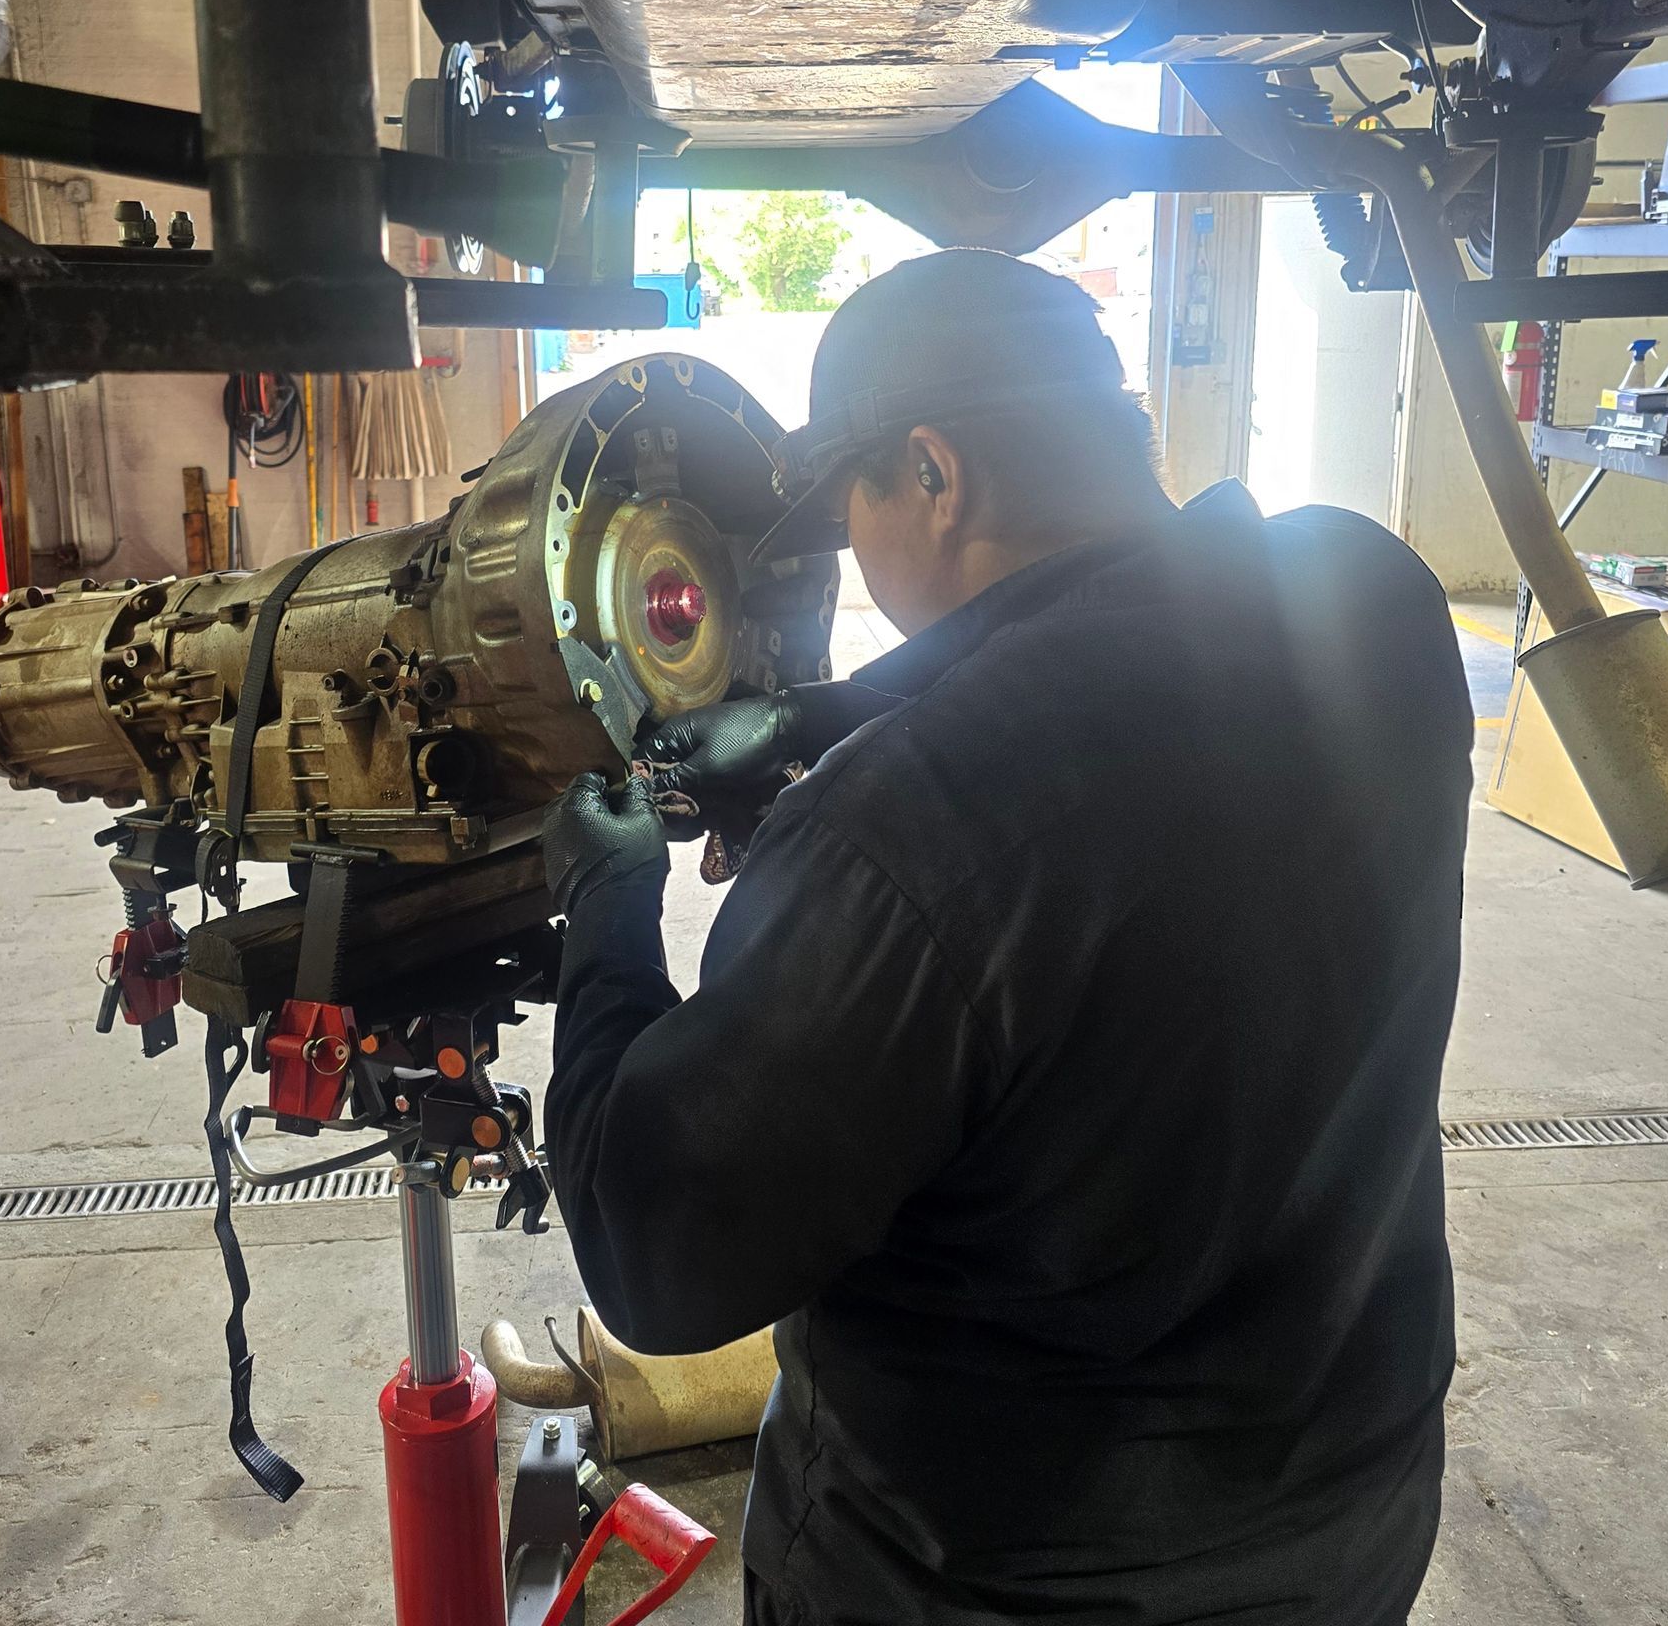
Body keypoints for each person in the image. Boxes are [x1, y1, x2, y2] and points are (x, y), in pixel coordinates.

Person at [540, 248, 1473, 1626]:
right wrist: (822, 718)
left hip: (989, 1580)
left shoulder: (902, 834)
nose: (852, 543)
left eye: (853, 500)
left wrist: (606, 900)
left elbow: (656, 1247)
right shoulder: (1371, 600)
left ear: (933, 472)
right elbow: (1123, 665)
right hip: (1347, 1512)